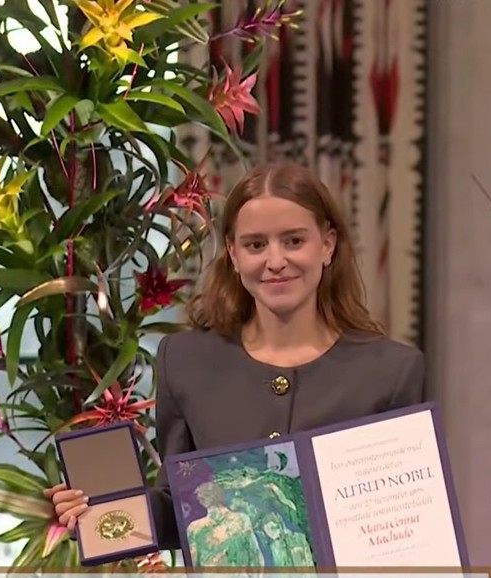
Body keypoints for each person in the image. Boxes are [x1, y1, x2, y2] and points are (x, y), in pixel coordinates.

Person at [44, 161, 425, 558]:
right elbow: (181, 508)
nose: (275, 261)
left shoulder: (392, 372)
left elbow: (408, 523)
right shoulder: (185, 361)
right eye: (255, 245)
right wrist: (95, 514)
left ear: (327, 245)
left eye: (294, 241)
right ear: (233, 252)